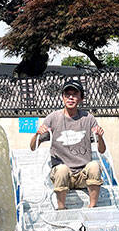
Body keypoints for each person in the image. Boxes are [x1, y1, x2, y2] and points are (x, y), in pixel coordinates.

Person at [30, 80, 106, 209]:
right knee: (61, 169)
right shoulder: (53, 118)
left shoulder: (88, 118)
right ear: (62, 97)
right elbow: (33, 147)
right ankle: (61, 208)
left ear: (81, 98)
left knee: (94, 165)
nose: (70, 98)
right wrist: (37, 134)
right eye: (67, 94)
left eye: (75, 94)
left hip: (83, 174)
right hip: (63, 175)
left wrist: (100, 136)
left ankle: (92, 207)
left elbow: (102, 150)